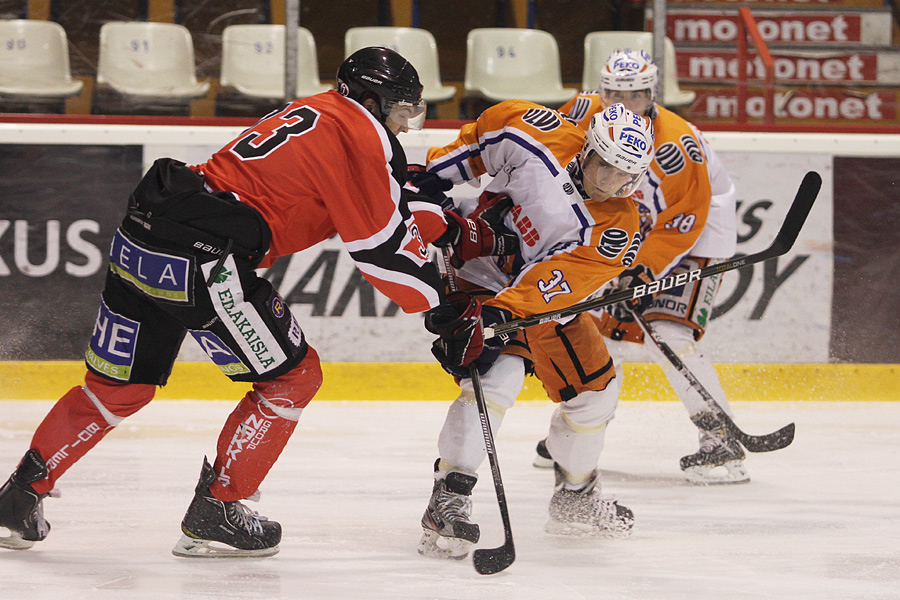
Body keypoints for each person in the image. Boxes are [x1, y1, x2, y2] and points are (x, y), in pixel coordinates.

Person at [0, 46, 517, 556]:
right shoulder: (361, 133)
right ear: (372, 100)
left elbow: (380, 198)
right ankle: (219, 508)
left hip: (145, 230)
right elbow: (381, 250)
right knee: (294, 376)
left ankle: (20, 493)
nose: (406, 124)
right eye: (402, 110)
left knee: (117, 388)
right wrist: (444, 308)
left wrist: (446, 225)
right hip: (202, 254)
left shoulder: (320, 109)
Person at [413, 100, 655, 560]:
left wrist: (501, 316)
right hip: (480, 268)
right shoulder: (536, 132)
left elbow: (554, 286)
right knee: (497, 379)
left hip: (539, 304)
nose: (608, 182)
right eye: (603, 164)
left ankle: (576, 495)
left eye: (623, 175)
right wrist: (434, 178)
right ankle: (449, 497)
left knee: (597, 396)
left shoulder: (616, 228)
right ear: (588, 147)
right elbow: (482, 139)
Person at [531, 49, 746, 484]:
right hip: (626, 235)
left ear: (652, 93)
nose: (624, 106)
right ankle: (580, 433)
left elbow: (687, 218)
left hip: (695, 237)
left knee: (667, 332)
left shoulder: (676, 143)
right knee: (596, 334)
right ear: (602, 90)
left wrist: (644, 268)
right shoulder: (580, 112)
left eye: (636, 96)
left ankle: (720, 439)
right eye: (615, 95)